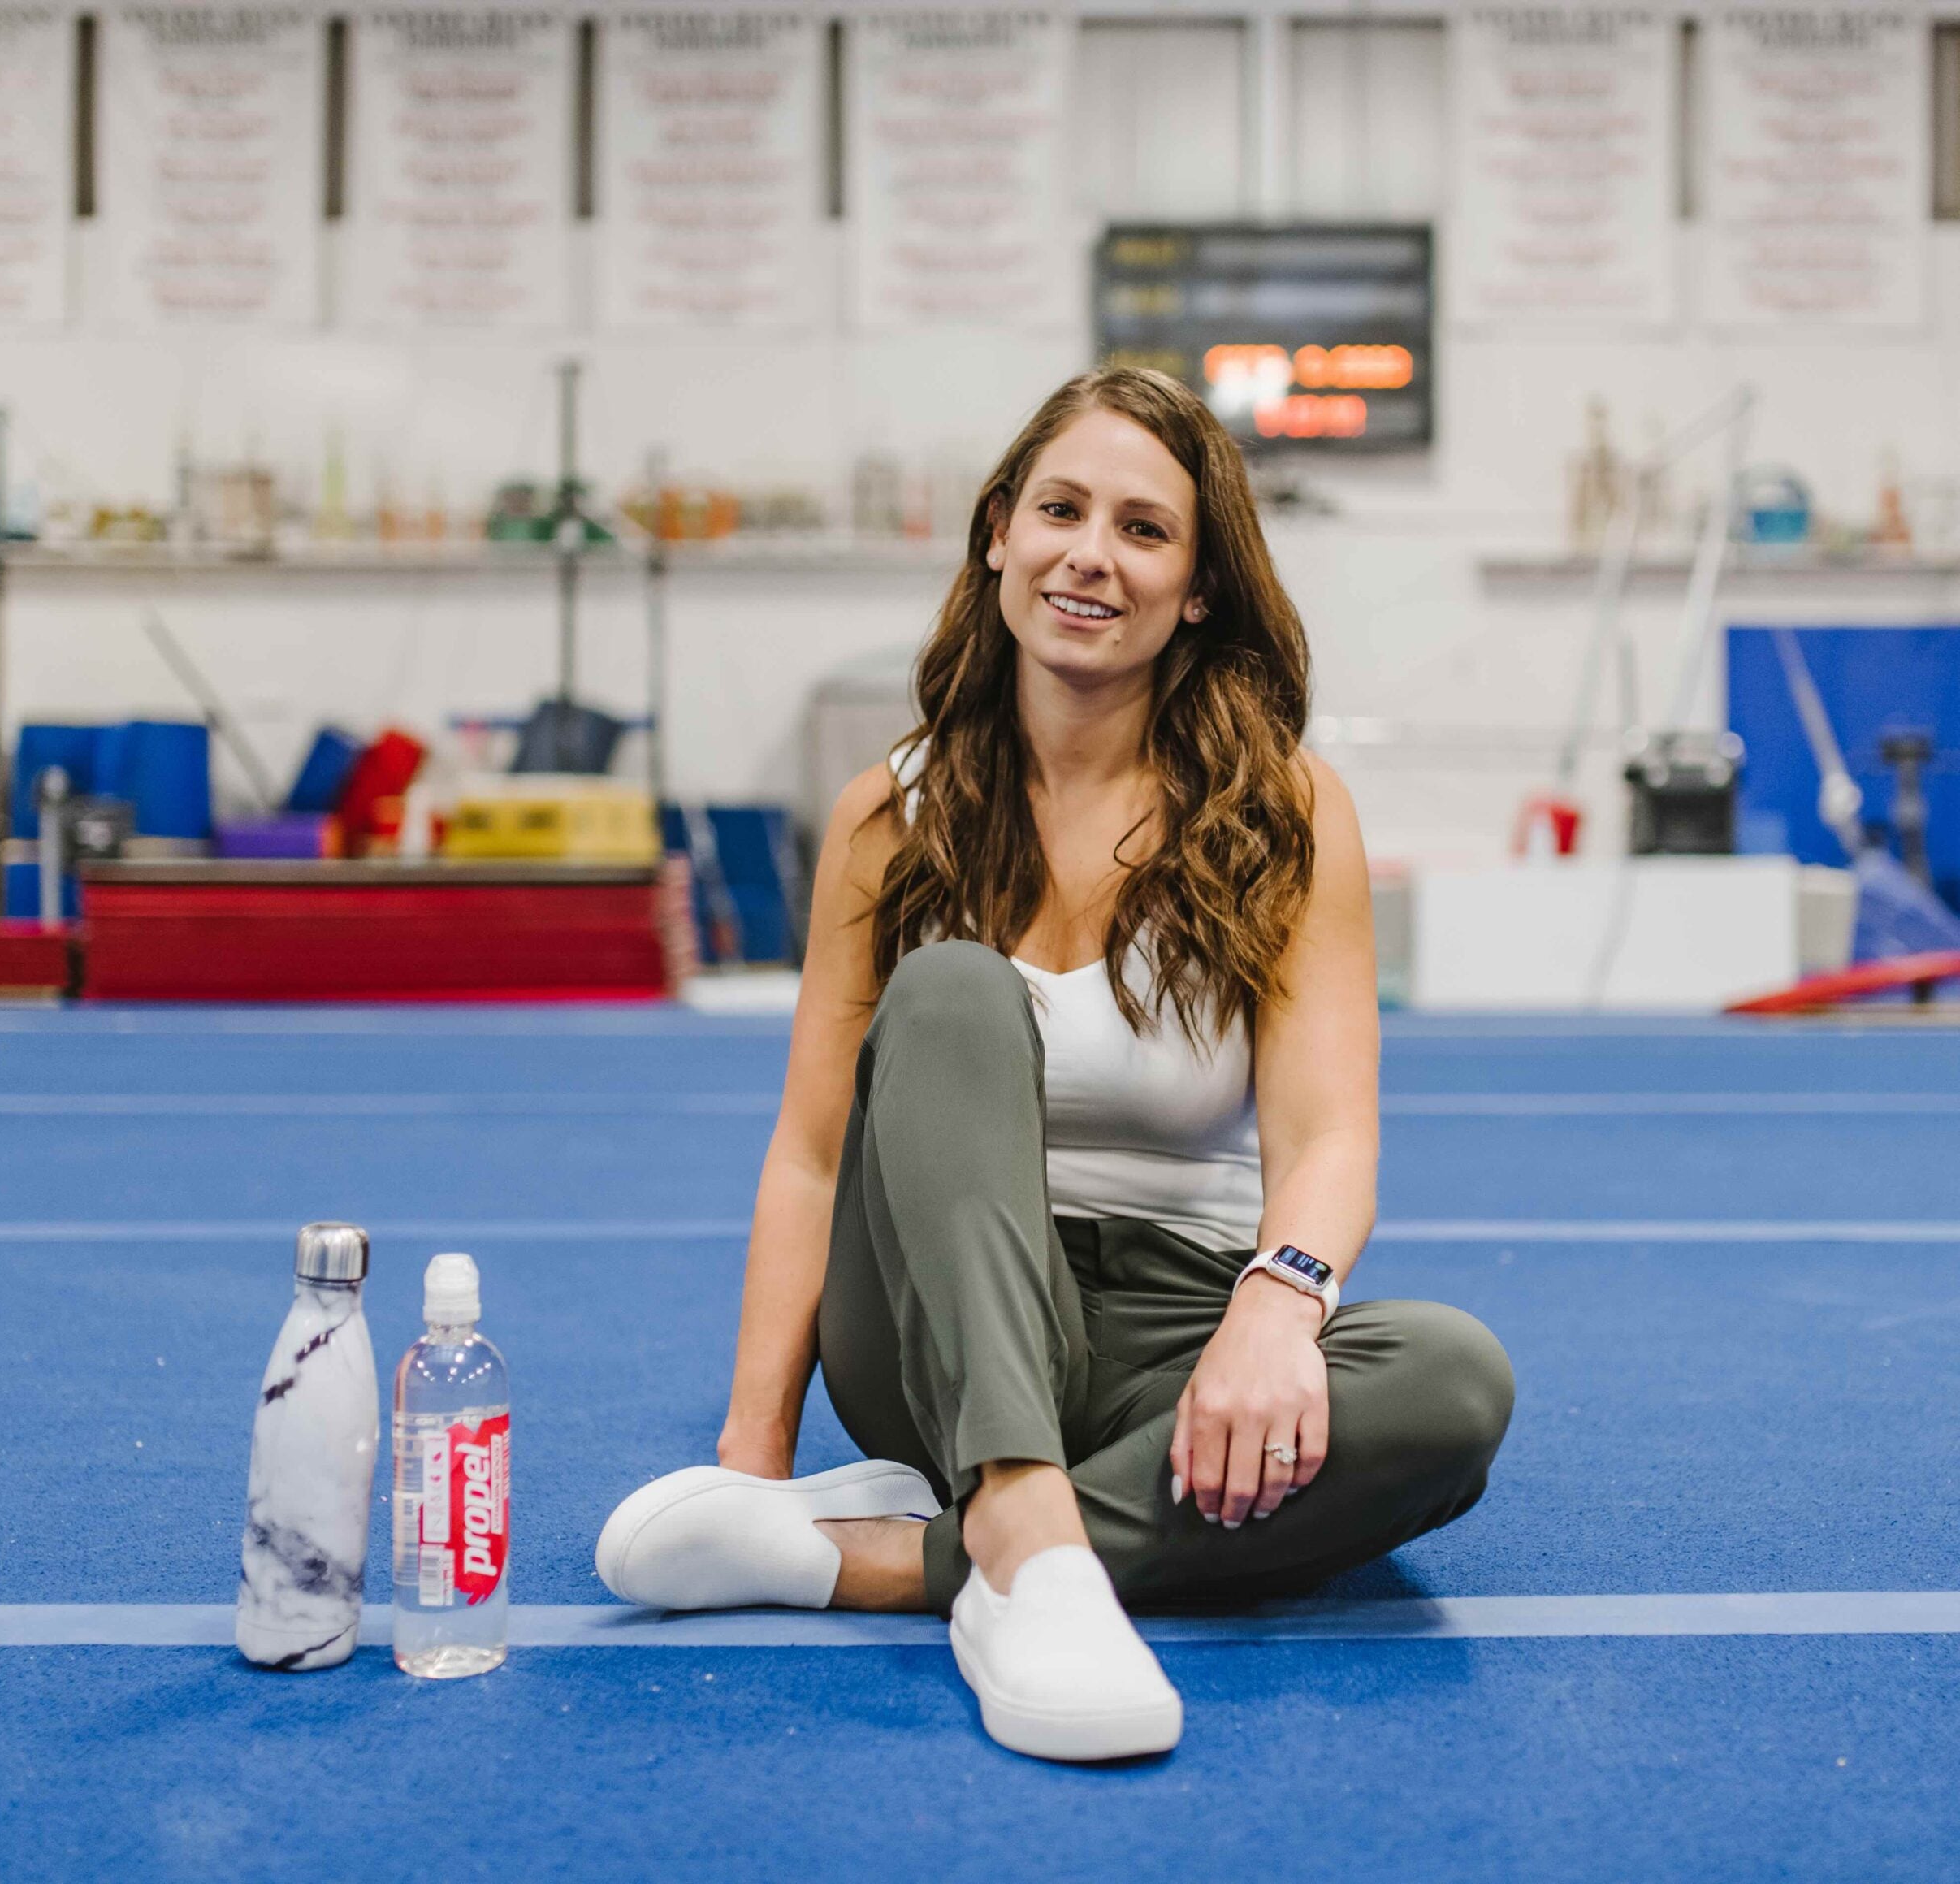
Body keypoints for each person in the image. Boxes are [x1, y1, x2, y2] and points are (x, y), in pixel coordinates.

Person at [596, 366, 1514, 1762]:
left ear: (1199, 587)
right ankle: (1025, 1517)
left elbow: (1329, 1135)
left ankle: (896, 1560)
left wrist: (1280, 1309)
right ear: (996, 538)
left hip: (1175, 1336)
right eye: (1060, 510)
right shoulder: (887, 817)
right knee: (957, 990)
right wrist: (750, 1456)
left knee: (1452, 1382)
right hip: (933, 1335)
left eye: (1146, 530)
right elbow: (812, 1154)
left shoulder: (1286, 807)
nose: (1093, 554)